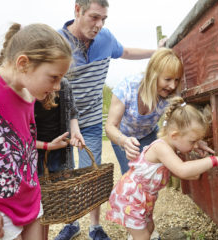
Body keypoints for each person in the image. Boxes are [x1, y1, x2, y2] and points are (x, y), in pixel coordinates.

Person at [57, 0, 165, 239]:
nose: (99, 24)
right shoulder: (56, 42)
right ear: (77, 10)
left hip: (92, 120)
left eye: (103, 19)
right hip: (60, 121)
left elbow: (125, 52)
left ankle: (95, 226)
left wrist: (157, 53)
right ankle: (70, 222)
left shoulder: (105, 39)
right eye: (94, 17)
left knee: (91, 173)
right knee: (62, 174)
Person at [0, 23, 72, 240]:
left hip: (30, 198)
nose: (58, 87)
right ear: (23, 63)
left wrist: (47, 146)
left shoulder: (28, 94)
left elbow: (20, 144)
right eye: (54, 77)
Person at [106, 96, 218, 240]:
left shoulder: (171, 147)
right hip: (130, 197)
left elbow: (191, 175)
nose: (196, 145)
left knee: (149, 229)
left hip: (143, 199)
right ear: (174, 135)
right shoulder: (161, 148)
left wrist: (197, 151)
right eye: (193, 141)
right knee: (143, 235)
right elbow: (183, 170)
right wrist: (215, 160)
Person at [105, 47, 185, 175]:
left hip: (149, 135)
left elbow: (184, 122)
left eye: (176, 80)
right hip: (123, 136)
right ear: (153, 75)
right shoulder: (127, 87)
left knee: (151, 175)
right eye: (168, 79)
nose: (173, 86)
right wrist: (124, 141)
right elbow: (110, 126)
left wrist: (196, 140)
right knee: (131, 176)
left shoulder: (170, 95)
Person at [35, 78, 85, 240]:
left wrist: (75, 131)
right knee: (37, 202)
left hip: (60, 151)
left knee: (49, 200)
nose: (56, 84)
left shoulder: (63, 85)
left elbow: (72, 113)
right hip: (34, 152)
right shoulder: (26, 89)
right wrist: (46, 146)